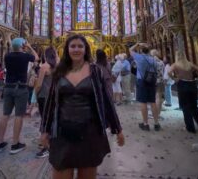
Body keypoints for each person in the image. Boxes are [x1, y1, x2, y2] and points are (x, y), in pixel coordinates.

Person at [40, 34, 124, 179]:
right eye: (73, 46)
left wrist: (117, 128)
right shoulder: (59, 71)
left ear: (86, 49)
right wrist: (44, 130)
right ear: (67, 49)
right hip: (62, 132)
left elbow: (106, 100)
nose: (76, 49)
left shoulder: (95, 71)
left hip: (90, 132)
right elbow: (51, 103)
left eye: (80, 46)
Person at [0, 38, 38, 155]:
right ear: (22, 46)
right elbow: (37, 58)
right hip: (21, 88)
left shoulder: (7, 56)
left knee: (5, 114)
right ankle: (15, 144)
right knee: (19, 115)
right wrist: (29, 47)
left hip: (8, 87)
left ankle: (0, 143)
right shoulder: (25, 56)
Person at [168, 50, 198, 133]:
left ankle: (190, 128)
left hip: (183, 84)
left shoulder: (176, 65)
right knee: (194, 106)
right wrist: (197, 76)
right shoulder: (190, 64)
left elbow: (169, 72)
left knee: (185, 107)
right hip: (192, 84)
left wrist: (174, 78)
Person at [129, 43, 161, 131]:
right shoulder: (153, 59)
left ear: (141, 50)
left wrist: (137, 44)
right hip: (152, 81)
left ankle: (145, 124)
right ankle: (156, 123)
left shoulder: (139, 57)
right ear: (149, 51)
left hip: (142, 81)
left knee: (143, 102)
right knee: (152, 102)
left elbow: (130, 50)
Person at [35, 47, 58, 158]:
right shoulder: (58, 67)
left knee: (45, 120)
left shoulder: (44, 66)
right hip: (54, 97)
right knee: (52, 119)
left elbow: (39, 85)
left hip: (44, 96)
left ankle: (46, 147)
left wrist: (34, 95)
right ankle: (52, 142)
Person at [150, 49, 165, 118]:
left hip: (154, 81)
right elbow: (163, 71)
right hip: (161, 81)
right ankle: (158, 114)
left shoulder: (151, 61)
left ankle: (154, 114)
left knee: (155, 98)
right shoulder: (161, 62)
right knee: (159, 98)